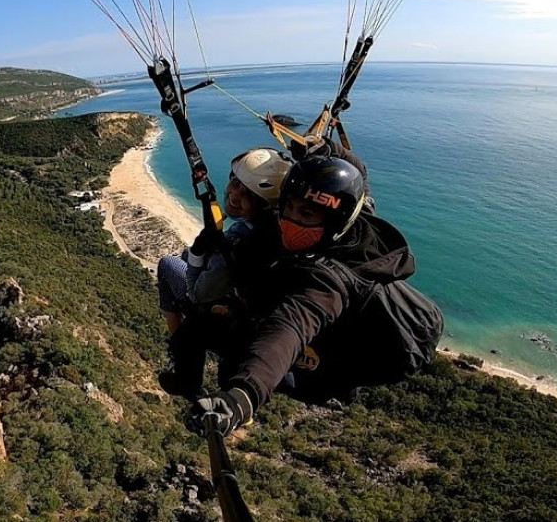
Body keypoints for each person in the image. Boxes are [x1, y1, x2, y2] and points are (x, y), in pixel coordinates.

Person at [188, 155, 444, 437]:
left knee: (232, 351)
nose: (293, 219)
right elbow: (359, 179)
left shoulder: (328, 281)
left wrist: (240, 399)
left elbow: (291, 328)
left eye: (307, 215)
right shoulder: (356, 220)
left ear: (337, 220)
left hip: (339, 363)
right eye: (289, 207)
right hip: (347, 327)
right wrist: (324, 151)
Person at [155, 149, 292, 391]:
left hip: (233, 316)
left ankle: (180, 361)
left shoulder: (241, 239)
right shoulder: (280, 226)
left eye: (247, 194)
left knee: (168, 265)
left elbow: (197, 292)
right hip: (259, 310)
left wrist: (199, 252)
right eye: (236, 183)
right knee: (185, 255)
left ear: (263, 202)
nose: (233, 194)